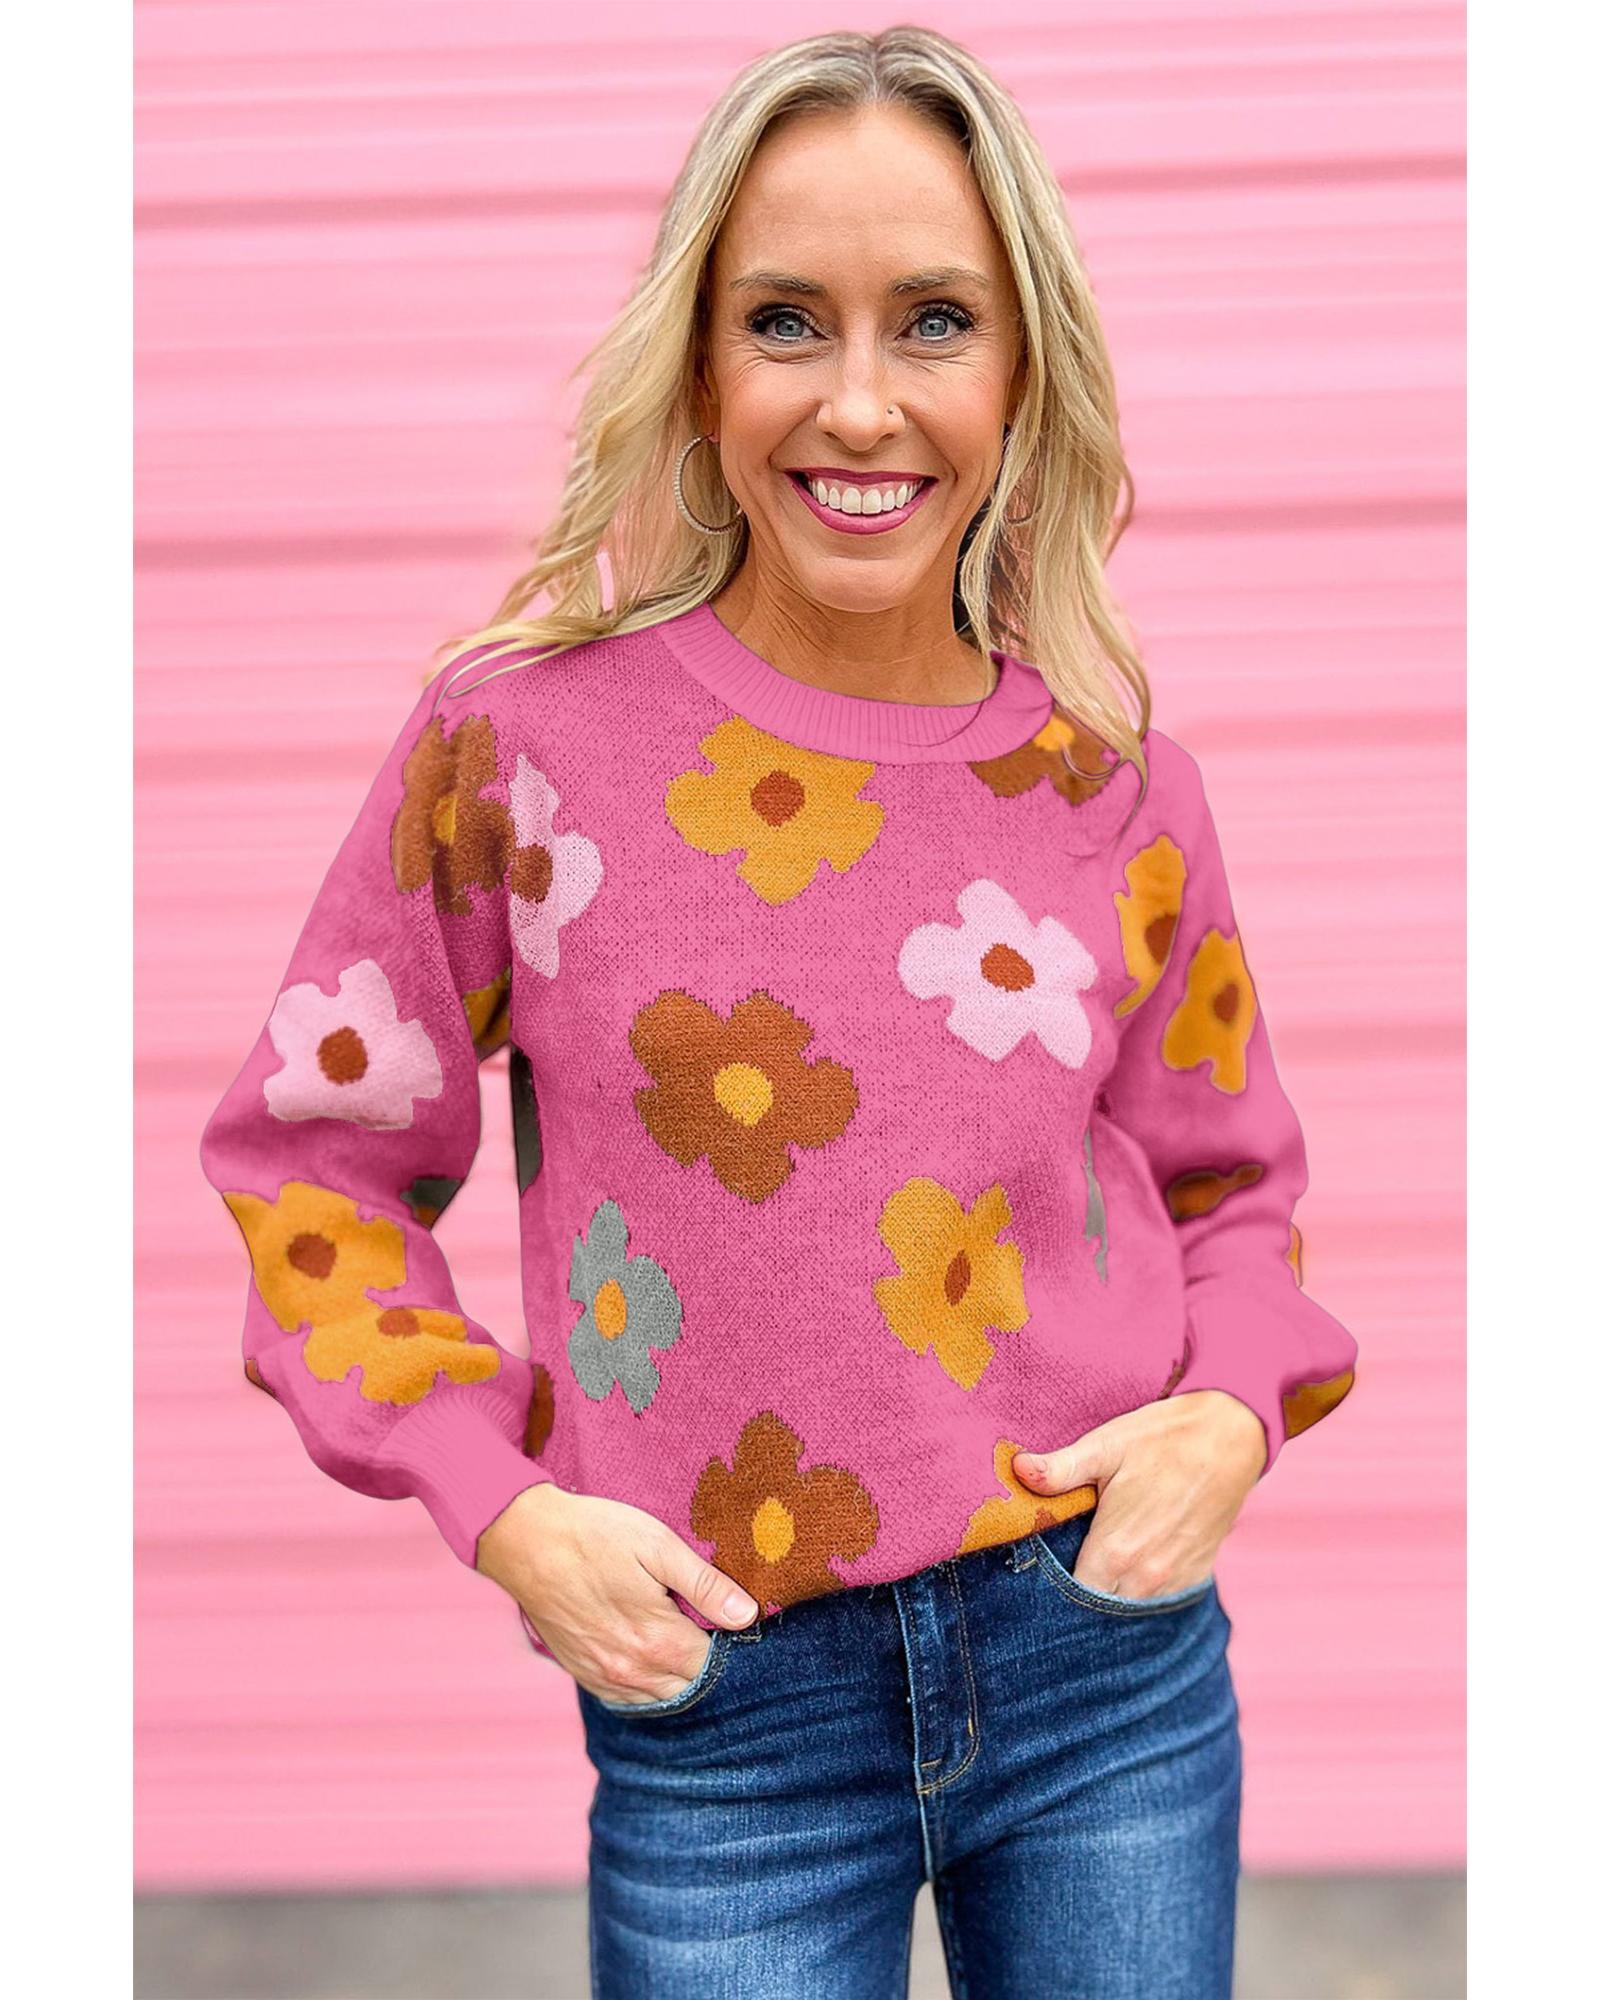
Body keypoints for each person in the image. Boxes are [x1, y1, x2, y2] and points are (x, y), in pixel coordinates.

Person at [198, 25, 1357, 2000]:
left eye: (934, 321)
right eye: (784, 321)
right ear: (699, 364)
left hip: (1103, 1675)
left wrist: (1226, 1418)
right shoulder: (520, 750)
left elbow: (1232, 1186)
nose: (860, 400)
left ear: (1024, 371)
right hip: (724, 1712)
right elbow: (312, 1172)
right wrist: (505, 1506)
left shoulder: (1113, 786)